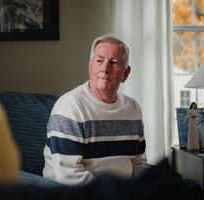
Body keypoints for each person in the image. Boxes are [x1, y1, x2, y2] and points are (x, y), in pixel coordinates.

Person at [42, 35, 147, 186]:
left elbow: (139, 162)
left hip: (124, 192)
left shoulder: (132, 107)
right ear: (90, 66)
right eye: (99, 61)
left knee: (186, 188)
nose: (105, 69)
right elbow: (68, 175)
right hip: (77, 194)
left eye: (114, 62)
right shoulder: (69, 106)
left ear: (125, 73)